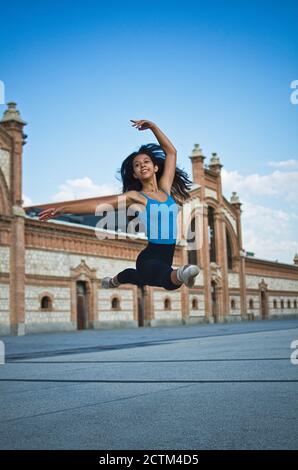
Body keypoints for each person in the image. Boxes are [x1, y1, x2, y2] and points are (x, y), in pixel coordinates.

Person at [38, 119, 200, 289]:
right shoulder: (135, 197)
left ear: (155, 168)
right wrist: (63, 210)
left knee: (138, 276)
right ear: (135, 174)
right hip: (149, 258)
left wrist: (153, 127)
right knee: (166, 280)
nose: (142, 166)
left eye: (146, 162)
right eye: (137, 165)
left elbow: (171, 152)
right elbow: (98, 205)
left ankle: (112, 281)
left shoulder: (165, 190)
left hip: (166, 257)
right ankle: (183, 273)